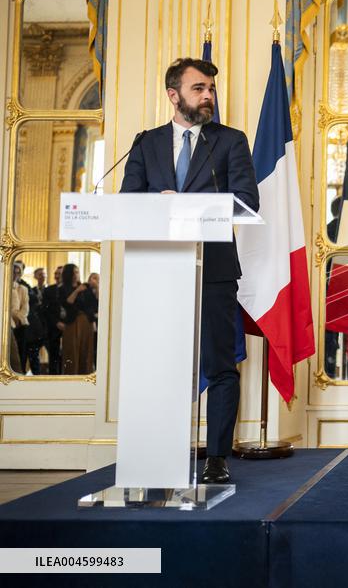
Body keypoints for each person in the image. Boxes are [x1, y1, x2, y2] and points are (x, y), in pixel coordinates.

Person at [120, 57, 259, 484]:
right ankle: (158, 451)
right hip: (159, 271)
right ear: (173, 94)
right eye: (199, 88)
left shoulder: (230, 141)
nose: (208, 96)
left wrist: (186, 206)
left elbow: (248, 202)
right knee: (161, 364)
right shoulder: (146, 143)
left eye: (211, 89)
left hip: (214, 269)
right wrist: (157, 205)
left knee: (220, 365)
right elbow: (128, 202)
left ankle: (217, 457)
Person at [58, 264, 94, 376]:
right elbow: (68, 302)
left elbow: (92, 304)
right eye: (73, 272)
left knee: (85, 352)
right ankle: (71, 379)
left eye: (77, 272)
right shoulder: (62, 288)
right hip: (71, 322)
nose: (76, 275)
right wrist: (77, 290)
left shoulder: (86, 287)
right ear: (68, 274)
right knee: (71, 352)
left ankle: (85, 378)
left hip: (86, 322)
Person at [25, 267, 48, 374]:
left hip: (48, 326)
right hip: (36, 327)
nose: (42, 276)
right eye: (39, 274)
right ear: (35, 277)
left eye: (44, 274)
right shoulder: (31, 291)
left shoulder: (51, 289)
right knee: (34, 354)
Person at [42, 265, 63, 374]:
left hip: (69, 327)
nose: (57, 276)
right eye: (56, 274)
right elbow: (45, 310)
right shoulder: (48, 290)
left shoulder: (72, 289)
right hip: (53, 328)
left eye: (60, 274)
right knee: (53, 357)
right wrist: (56, 322)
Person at [8, 263, 28, 374]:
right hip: (8, 323)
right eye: (13, 271)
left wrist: (18, 319)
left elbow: (25, 307)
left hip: (21, 323)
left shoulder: (23, 288)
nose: (15, 274)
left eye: (18, 272)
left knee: (19, 354)